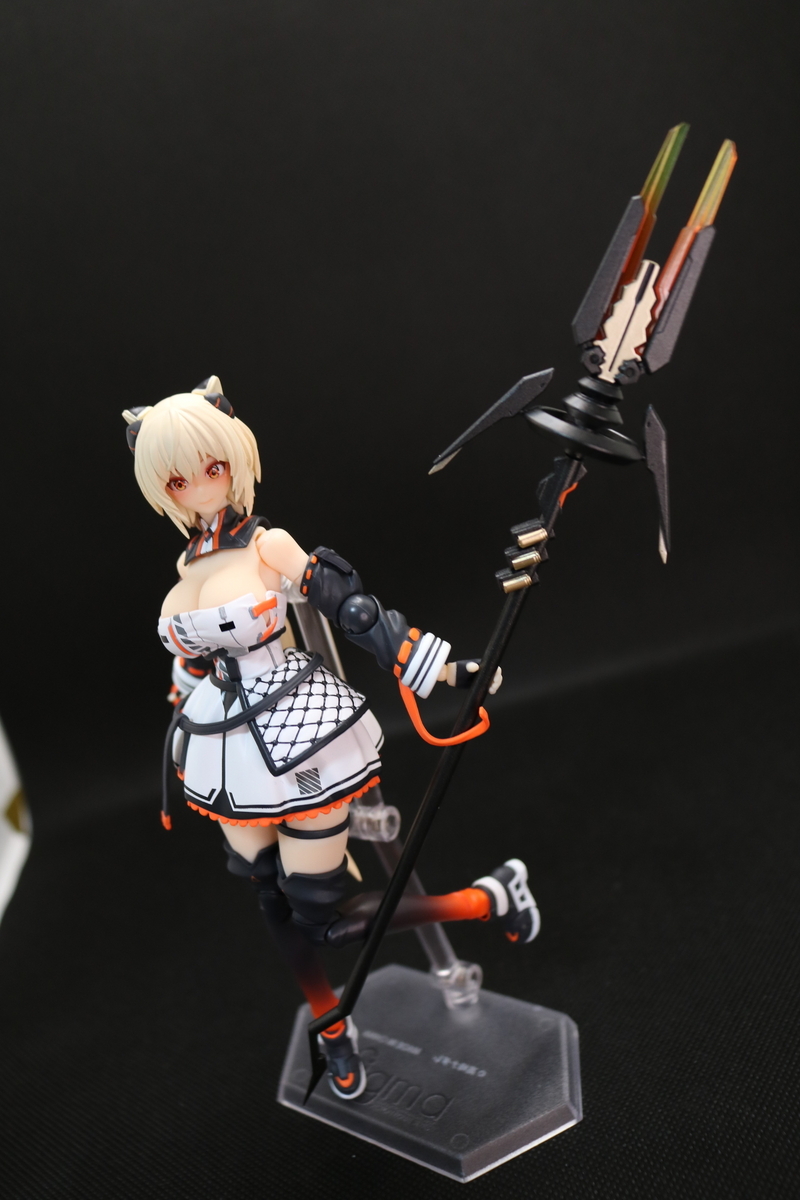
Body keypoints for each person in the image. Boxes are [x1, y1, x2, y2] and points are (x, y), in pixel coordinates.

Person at [123, 376, 539, 1099]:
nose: (198, 486)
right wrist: (183, 714)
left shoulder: (269, 544)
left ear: (234, 458)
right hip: (226, 750)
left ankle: (488, 898)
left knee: (322, 913)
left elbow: (353, 611)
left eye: (211, 466)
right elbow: (190, 663)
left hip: (296, 728)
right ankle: (332, 1024)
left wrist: (442, 669)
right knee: (267, 894)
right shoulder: (187, 562)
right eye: (177, 479)